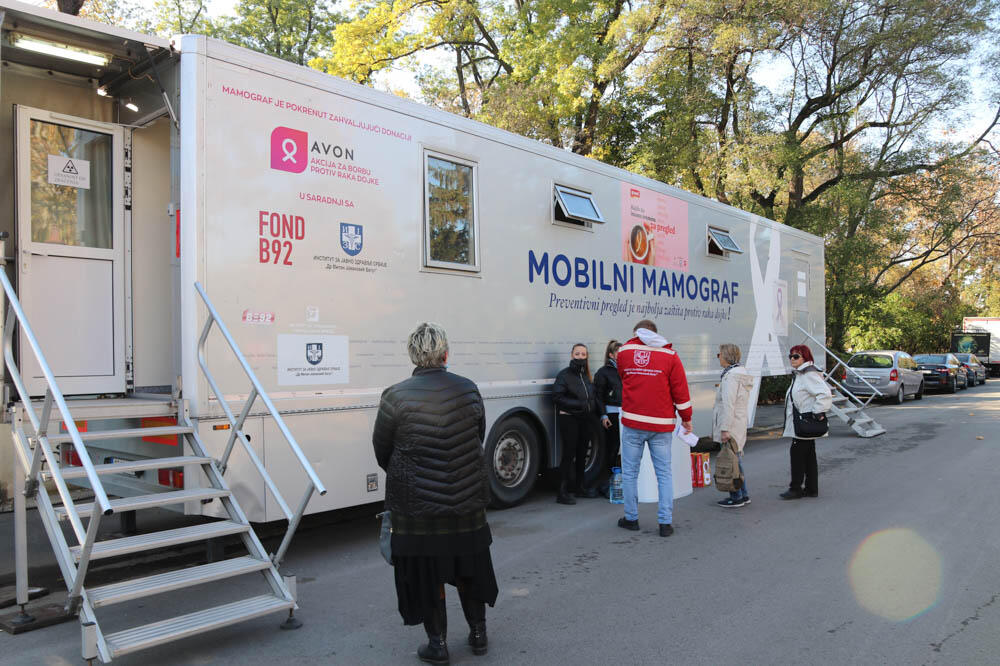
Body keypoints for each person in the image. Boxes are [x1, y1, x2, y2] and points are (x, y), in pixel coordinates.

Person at [373, 323, 498, 664]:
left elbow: (382, 452)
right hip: (466, 502)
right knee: (469, 568)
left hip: (417, 511)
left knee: (426, 575)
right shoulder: (468, 390)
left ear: (413, 355)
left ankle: (438, 645)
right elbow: (478, 436)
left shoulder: (395, 396)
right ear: (445, 354)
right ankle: (478, 634)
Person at [616, 320, 693, 537]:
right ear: (656, 333)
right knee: (664, 474)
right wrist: (686, 418)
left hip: (633, 423)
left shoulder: (624, 351)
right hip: (661, 425)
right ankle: (665, 523)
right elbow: (681, 391)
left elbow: (624, 377)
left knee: (630, 473)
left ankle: (631, 518)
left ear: (636, 333)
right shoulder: (670, 356)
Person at [551, 343, 603, 504]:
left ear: (587, 356)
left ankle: (579, 488)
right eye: (577, 354)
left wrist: (600, 413)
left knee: (582, 453)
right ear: (572, 355)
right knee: (569, 453)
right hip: (569, 418)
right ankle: (562, 492)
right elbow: (557, 397)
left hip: (585, 419)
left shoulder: (586, 376)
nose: (580, 357)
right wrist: (579, 405)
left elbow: (592, 397)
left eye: (583, 354)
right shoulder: (564, 375)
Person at [780, 344, 833, 500]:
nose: (792, 359)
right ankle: (811, 488)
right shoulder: (801, 374)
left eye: (796, 356)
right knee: (809, 455)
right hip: (803, 421)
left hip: (804, 422)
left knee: (797, 455)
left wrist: (817, 412)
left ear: (805, 357)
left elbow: (824, 394)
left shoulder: (808, 374)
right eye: (790, 356)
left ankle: (795, 488)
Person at [712, 343, 755, 508]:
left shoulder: (731, 377)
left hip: (731, 424)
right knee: (736, 459)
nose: (718, 357)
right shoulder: (739, 374)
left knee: (731, 461)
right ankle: (743, 494)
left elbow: (729, 404)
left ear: (726, 356)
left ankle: (736, 496)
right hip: (738, 422)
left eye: (719, 354)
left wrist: (725, 429)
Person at [594, 340, 623, 497]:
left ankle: (617, 482)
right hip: (611, 415)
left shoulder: (627, 370)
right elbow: (598, 396)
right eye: (619, 352)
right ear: (611, 355)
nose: (623, 355)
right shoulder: (604, 372)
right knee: (611, 450)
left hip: (625, 414)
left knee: (621, 449)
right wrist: (603, 415)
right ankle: (605, 484)